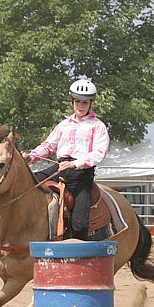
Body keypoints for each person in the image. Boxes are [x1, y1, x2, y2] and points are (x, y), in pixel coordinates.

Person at [23, 77, 110, 240]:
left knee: (79, 223)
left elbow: (99, 152)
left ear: (91, 103)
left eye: (85, 102)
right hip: (59, 167)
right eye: (78, 102)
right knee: (27, 185)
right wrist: (31, 156)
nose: (81, 106)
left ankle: (81, 250)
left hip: (81, 175)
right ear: (72, 101)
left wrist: (75, 163)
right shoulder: (63, 125)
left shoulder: (98, 126)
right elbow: (49, 145)